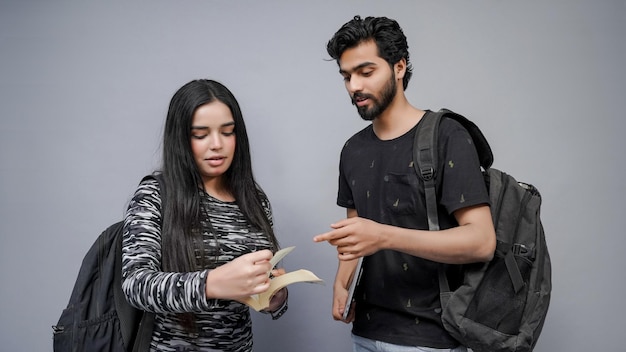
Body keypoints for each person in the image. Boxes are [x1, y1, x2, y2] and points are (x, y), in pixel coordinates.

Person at [313, 16, 496, 352]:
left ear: (398, 67)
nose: (354, 85)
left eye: (366, 72)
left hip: (432, 338)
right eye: (347, 76)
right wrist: (342, 282)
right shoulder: (353, 150)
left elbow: (482, 241)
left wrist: (383, 236)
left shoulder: (447, 136)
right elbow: (357, 230)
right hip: (365, 332)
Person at [122, 79, 288, 352]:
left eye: (228, 132)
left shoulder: (254, 199)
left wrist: (275, 297)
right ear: (181, 138)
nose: (217, 145)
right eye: (201, 135)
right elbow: (135, 284)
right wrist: (212, 284)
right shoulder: (155, 194)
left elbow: (261, 289)